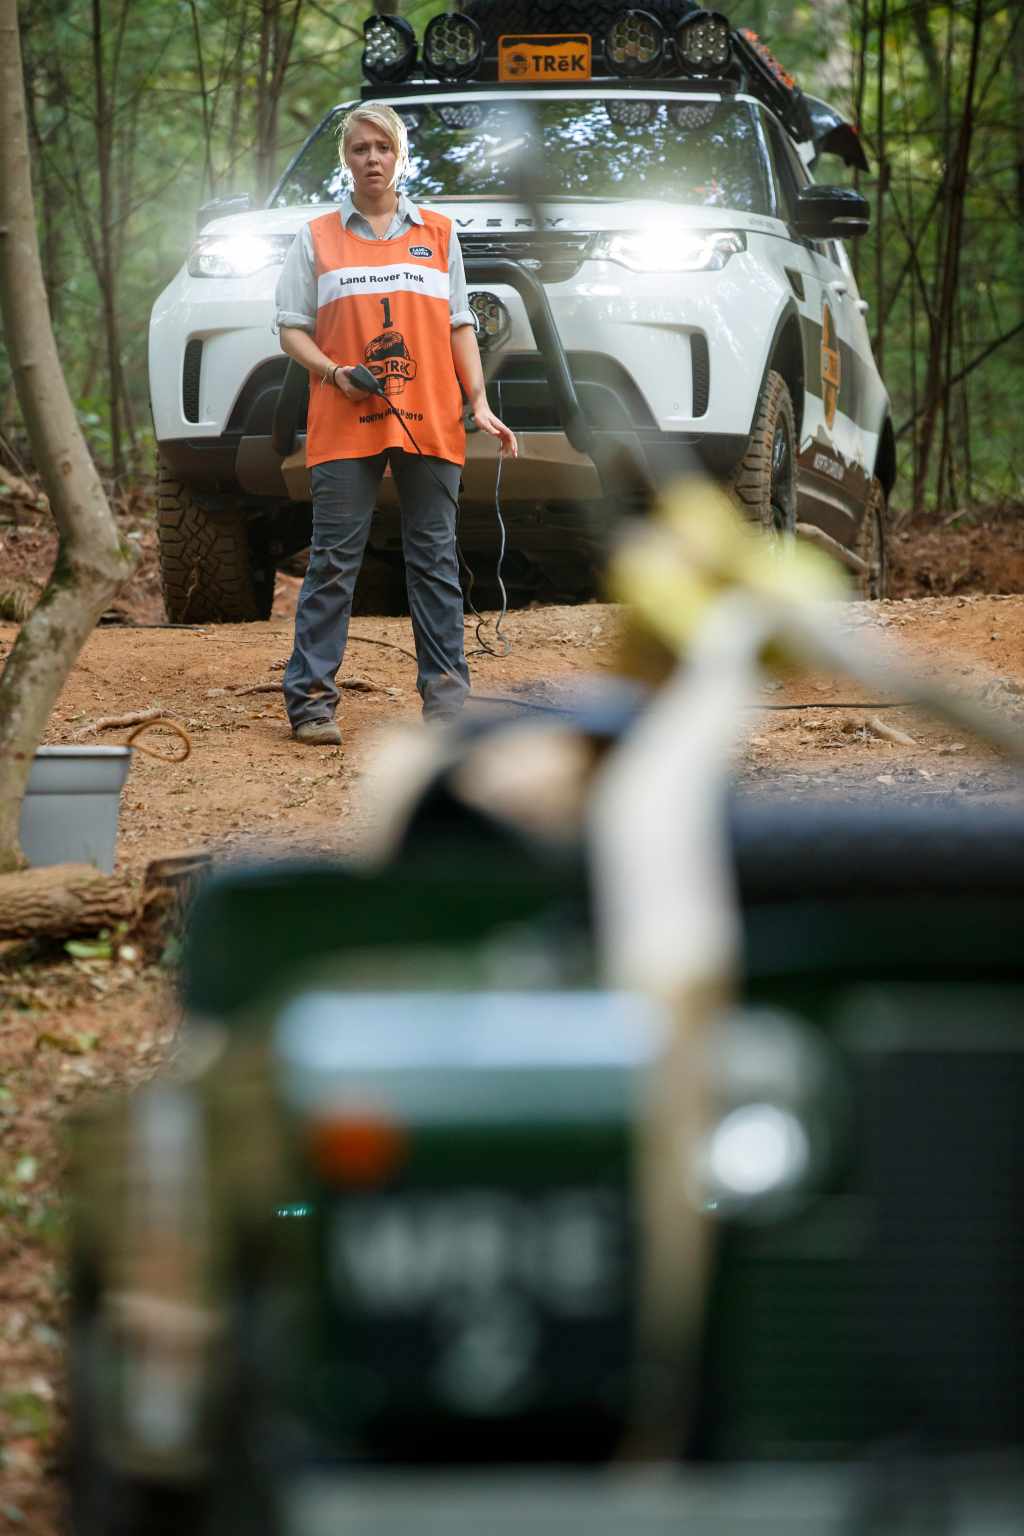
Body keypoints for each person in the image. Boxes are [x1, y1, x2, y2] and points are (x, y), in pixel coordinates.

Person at [274, 102, 517, 746]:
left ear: (399, 154)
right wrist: (332, 372)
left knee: (434, 559)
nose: (372, 158)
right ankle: (311, 703)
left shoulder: (437, 233)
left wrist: (481, 400)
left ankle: (446, 705)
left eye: (382, 147)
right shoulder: (317, 236)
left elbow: (459, 323)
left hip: (428, 416)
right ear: (345, 160)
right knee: (333, 561)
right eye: (359, 148)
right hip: (343, 415)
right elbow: (290, 330)